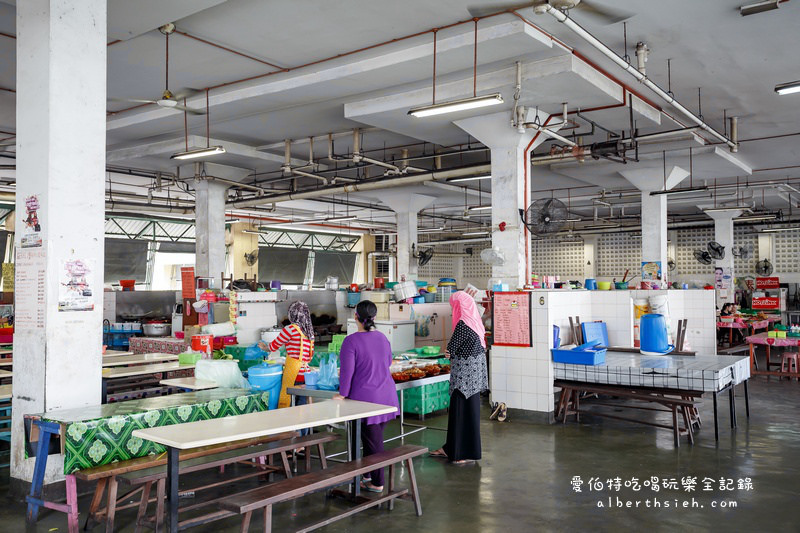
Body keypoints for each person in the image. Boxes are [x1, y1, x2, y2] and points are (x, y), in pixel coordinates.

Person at [334, 300, 398, 493]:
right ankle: (368, 475)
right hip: (387, 395)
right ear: (374, 317)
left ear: (356, 317)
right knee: (371, 438)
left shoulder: (351, 341)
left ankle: (377, 482)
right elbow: (387, 362)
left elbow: (347, 372)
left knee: (373, 441)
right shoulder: (382, 337)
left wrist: (342, 394)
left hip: (366, 400)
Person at [430, 291, 488, 464]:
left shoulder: (463, 324)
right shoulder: (476, 323)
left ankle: (460, 454)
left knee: (459, 415)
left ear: (459, 307)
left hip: (463, 381)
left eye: (454, 306)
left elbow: (450, 350)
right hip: (474, 380)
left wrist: (448, 352)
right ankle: (451, 449)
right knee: (470, 415)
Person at [258, 301, 314, 409]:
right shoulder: (309, 331)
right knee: (302, 405)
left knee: (289, 402)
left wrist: (265, 347)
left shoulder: (290, 329)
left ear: (291, 314)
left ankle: (290, 424)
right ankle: (305, 426)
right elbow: (309, 354)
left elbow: (274, 346)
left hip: (294, 374)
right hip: (307, 373)